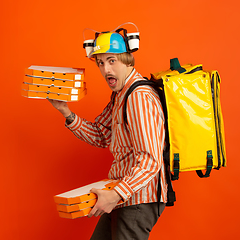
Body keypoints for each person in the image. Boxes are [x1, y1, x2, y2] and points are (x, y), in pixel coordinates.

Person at [48, 30, 167, 240]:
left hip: (137, 199)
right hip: (120, 194)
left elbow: (150, 160)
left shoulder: (139, 97)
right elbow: (101, 135)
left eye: (111, 61)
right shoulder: (120, 95)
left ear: (128, 61)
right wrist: (65, 111)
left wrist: (116, 194)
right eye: (100, 63)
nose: (106, 69)